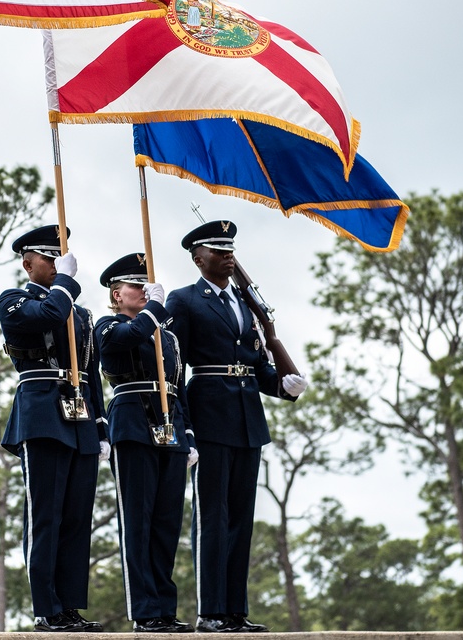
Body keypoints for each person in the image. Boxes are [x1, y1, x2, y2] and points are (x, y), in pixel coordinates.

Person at [165, 221, 308, 634]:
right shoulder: (184, 300)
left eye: (231, 249)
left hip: (247, 417)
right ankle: (210, 611)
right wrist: (182, 425)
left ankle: (234, 610)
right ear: (198, 257)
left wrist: (282, 386)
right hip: (208, 413)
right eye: (218, 249)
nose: (228, 255)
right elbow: (174, 368)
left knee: (241, 520)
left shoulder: (246, 305)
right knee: (212, 516)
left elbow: (255, 363)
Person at [0, 225, 107, 633]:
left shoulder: (81, 313)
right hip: (42, 411)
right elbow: (47, 314)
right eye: (51, 257)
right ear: (28, 263)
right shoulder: (14, 300)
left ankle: (71, 606)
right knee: (45, 515)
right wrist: (65, 282)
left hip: (79, 416)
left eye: (63, 257)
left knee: (77, 517)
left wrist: (100, 426)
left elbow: (91, 372)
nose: (60, 264)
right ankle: (46, 607)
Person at [95, 253, 198, 634]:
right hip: (133, 424)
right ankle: (144, 610)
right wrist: (154, 309)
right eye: (134, 286)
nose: (142, 290)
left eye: (146, 286)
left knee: (166, 524)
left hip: (169, 429)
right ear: (116, 293)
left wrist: (188, 435)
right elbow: (128, 337)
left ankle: (165, 608)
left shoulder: (166, 337)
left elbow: (177, 386)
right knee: (137, 521)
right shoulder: (106, 325)